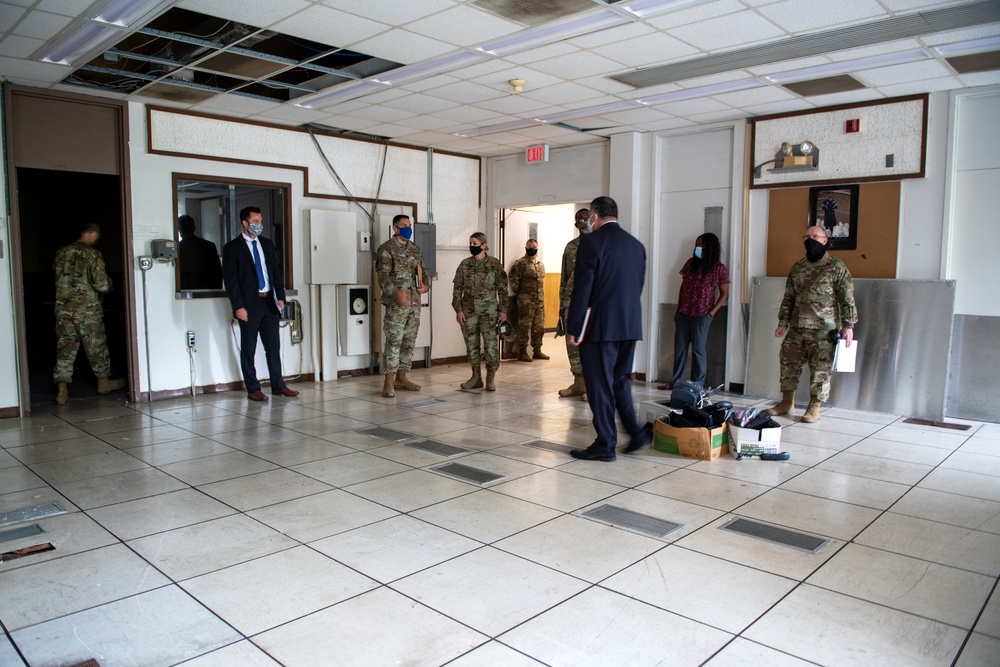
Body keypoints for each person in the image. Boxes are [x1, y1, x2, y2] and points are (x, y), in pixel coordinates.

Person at [567, 197, 650, 461]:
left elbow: (583, 289)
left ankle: (605, 444)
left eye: (588, 217)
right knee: (619, 381)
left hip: (600, 327)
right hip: (629, 324)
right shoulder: (636, 246)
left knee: (600, 386)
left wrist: (574, 327)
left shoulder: (591, 243)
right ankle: (635, 434)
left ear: (594, 217)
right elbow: (636, 286)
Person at [772, 225, 857, 423]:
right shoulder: (798, 267)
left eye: (816, 236)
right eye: (807, 236)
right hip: (797, 327)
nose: (811, 240)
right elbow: (789, 297)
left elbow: (847, 298)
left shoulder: (836, 266)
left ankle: (814, 406)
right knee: (788, 364)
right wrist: (783, 322)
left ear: (825, 241)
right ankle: (787, 402)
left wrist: (848, 326)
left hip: (824, 329)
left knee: (820, 370)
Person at [222, 206, 299, 402]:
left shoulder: (266, 244)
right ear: (245, 223)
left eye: (260, 221)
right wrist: (238, 306)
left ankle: (278, 385)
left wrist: (280, 296)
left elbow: (275, 273)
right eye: (255, 222)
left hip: (269, 302)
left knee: (273, 347)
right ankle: (253, 388)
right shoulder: (232, 248)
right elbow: (231, 282)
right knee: (249, 349)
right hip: (249, 304)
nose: (259, 225)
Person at [52, 222, 125, 405]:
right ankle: (103, 382)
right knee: (96, 346)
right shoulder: (93, 254)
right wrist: (110, 283)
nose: (98, 239)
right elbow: (101, 284)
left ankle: (62, 389)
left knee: (66, 348)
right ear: (93, 233)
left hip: (64, 310)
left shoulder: (61, 253)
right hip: (87, 311)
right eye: (98, 235)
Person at [660, 233, 730, 390]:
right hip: (684, 313)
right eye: (697, 245)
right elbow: (683, 286)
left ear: (710, 248)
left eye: (701, 245)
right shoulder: (691, 264)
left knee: (698, 350)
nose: (698, 248)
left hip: (702, 315)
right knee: (680, 348)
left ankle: (697, 384)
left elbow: (724, 294)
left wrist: (711, 313)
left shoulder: (719, 269)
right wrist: (679, 308)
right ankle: (676, 382)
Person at [376, 214, 430, 398]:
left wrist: (426, 285)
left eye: (409, 225)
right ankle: (389, 381)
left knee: (409, 340)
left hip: (414, 302)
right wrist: (395, 293)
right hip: (396, 304)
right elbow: (382, 277)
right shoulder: (387, 249)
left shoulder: (415, 249)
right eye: (403, 225)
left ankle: (402, 377)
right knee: (394, 340)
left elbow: (423, 270)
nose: (408, 228)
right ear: (395, 228)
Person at [452, 232, 508, 391]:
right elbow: (457, 290)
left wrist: (503, 310)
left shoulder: (494, 264)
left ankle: (491, 378)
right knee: (471, 346)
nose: (472, 246)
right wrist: (458, 310)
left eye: (475, 243)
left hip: (490, 313)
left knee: (491, 346)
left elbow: (503, 290)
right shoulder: (464, 265)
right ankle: (476, 377)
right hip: (468, 312)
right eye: (470, 243)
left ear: (484, 245)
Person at [556, 208, 590, 400]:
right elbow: (564, 277)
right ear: (575, 224)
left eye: (586, 218)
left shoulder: (600, 244)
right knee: (572, 343)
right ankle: (579, 383)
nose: (583, 222)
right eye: (580, 219)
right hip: (571, 302)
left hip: (591, 304)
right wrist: (562, 304)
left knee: (590, 343)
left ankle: (591, 386)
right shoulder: (570, 247)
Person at [508, 238, 547, 362]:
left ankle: (537, 351)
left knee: (539, 327)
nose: (532, 249)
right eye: (529, 247)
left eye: (534, 247)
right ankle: (522, 351)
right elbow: (514, 280)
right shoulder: (520, 263)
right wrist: (522, 294)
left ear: (537, 248)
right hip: (525, 302)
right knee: (524, 327)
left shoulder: (540, 264)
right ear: (525, 248)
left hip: (539, 301)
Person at [178, 214, 222, 290]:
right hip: (208, 290)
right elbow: (218, 273)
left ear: (179, 229)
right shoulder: (209, 246)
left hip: (184, 290)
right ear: (194, 228)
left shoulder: (178, 248)